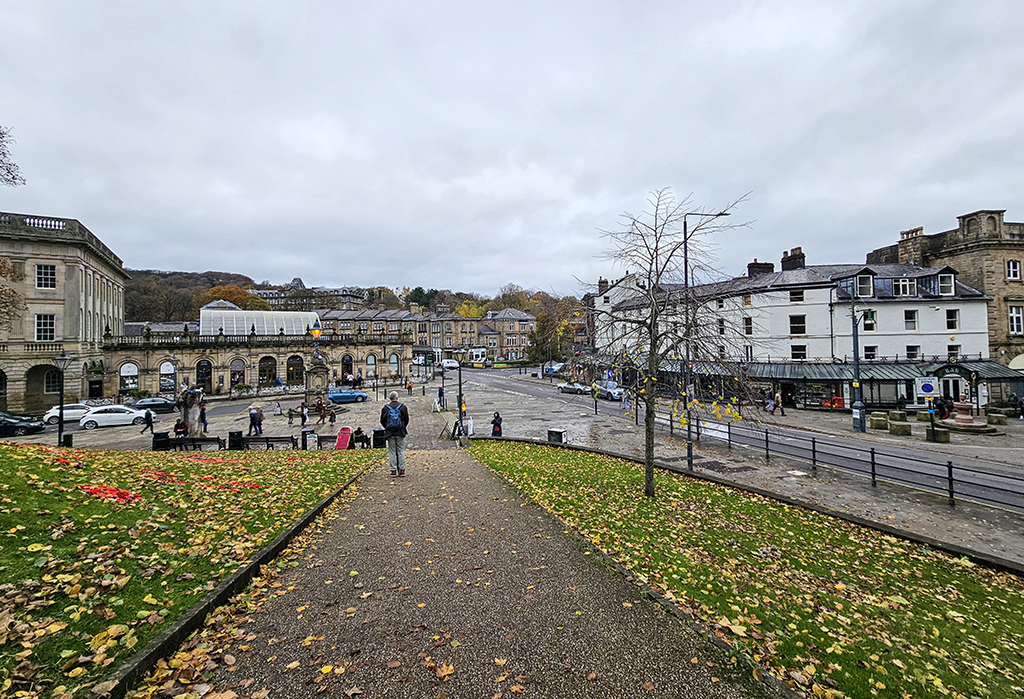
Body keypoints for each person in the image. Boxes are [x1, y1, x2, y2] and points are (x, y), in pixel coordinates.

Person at [380, 390, 410, 477]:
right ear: (397, 398)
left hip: (390, 432)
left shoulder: (385, 408)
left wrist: (387, 427)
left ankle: (393, 470)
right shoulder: (403, 407)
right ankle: (402, 470)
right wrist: (402, 427)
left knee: (392, 451)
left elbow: (382, 420)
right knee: (400, 450)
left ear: (390, 398)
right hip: (400, 431)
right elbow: (406, 419)